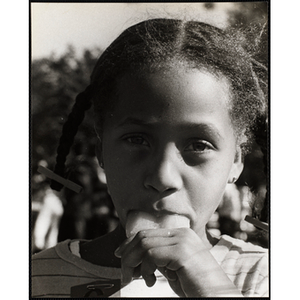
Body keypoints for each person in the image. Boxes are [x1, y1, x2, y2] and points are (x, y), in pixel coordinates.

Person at [31, 18, 268, 297]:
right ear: (101, 150)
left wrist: (214, 290)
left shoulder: (263, 276)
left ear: (236, 161)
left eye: (199, 145)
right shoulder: (35, 279)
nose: (162, 177)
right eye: (136, 140)